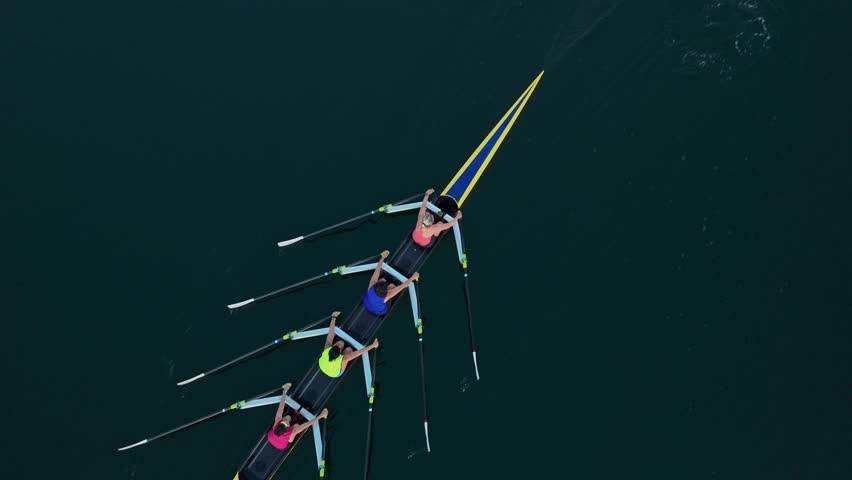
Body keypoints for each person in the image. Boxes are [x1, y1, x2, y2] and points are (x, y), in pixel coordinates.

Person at [268, 383, 328, 451]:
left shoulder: (277, 422)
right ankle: (295, 420)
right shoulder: (292, 432)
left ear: (279, 424)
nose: (286, 421)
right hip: (281, 445)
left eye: (283, 421)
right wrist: (321, 415)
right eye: (287, 423)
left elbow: (281, 406)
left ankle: (291, 417)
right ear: (287, 429)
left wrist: (285, 391)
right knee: (296, 426)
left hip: (271, 437)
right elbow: (307, 424)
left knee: (288, 417)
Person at [362, 250, 419, 315]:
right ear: (386, 291)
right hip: (380, 311)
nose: (386, 282)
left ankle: (385, 283)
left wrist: (383, 257)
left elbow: (377, 270)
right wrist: (413, 277)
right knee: (392, 285)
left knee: (383, 279)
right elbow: (403, 286)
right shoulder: (387, 295)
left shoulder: (371, 285)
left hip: (366, 302)